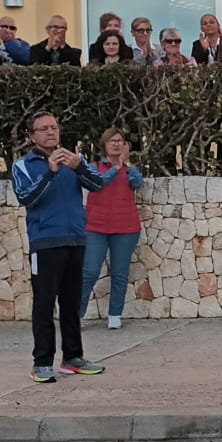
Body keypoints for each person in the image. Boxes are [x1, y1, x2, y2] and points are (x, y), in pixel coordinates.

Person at [11, 112, 109, 383]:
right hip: (45, 243)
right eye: (43, 129)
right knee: (44, 304)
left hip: (75, 239)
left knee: (71, 302)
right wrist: (50, 173)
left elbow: (98, 184)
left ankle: (73, 357)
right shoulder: (23, 165)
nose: (50, 133)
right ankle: (42, 362)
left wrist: (78, 167)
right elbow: (26, 197)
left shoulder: (73, 160)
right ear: (32, 136)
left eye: (54, 127)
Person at [82, 128, 144, 330]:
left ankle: (115, 314)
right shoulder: (94, 167)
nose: (116, 144)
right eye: (112, 141)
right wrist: (115, 169)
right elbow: (97, 184)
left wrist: (127, 165)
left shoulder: (129, 169)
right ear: (104, 145)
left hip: (125, 228)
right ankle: (76, 314)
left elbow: (137, 183)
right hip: (96, 227)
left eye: (120, 141)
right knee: (89, 272)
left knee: (119, 273)